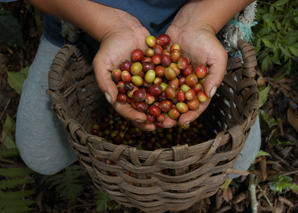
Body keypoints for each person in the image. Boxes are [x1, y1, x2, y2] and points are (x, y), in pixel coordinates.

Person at [15, 0, 260, 178]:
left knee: (238, 160)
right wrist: (106, 25)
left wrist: (204, 19)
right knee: (41, 154)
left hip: (207, 23)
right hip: (79, 23)